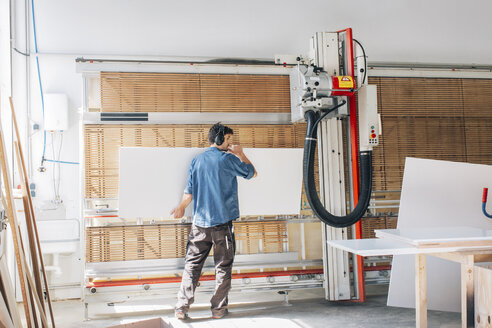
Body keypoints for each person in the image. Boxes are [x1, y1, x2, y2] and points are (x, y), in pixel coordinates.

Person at [171, 122, 257, 320]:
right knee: (223, 268)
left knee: (192, 266)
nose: (230, 143)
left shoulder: (197, 160)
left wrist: (182, 207)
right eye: (228, 139)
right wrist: (240, 154)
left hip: (199, 225)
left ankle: (181, 308)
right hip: (222, 225)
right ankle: (218, 310)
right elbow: (252, 173)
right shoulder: (228, 159)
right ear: (220, 139)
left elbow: (188, 192)